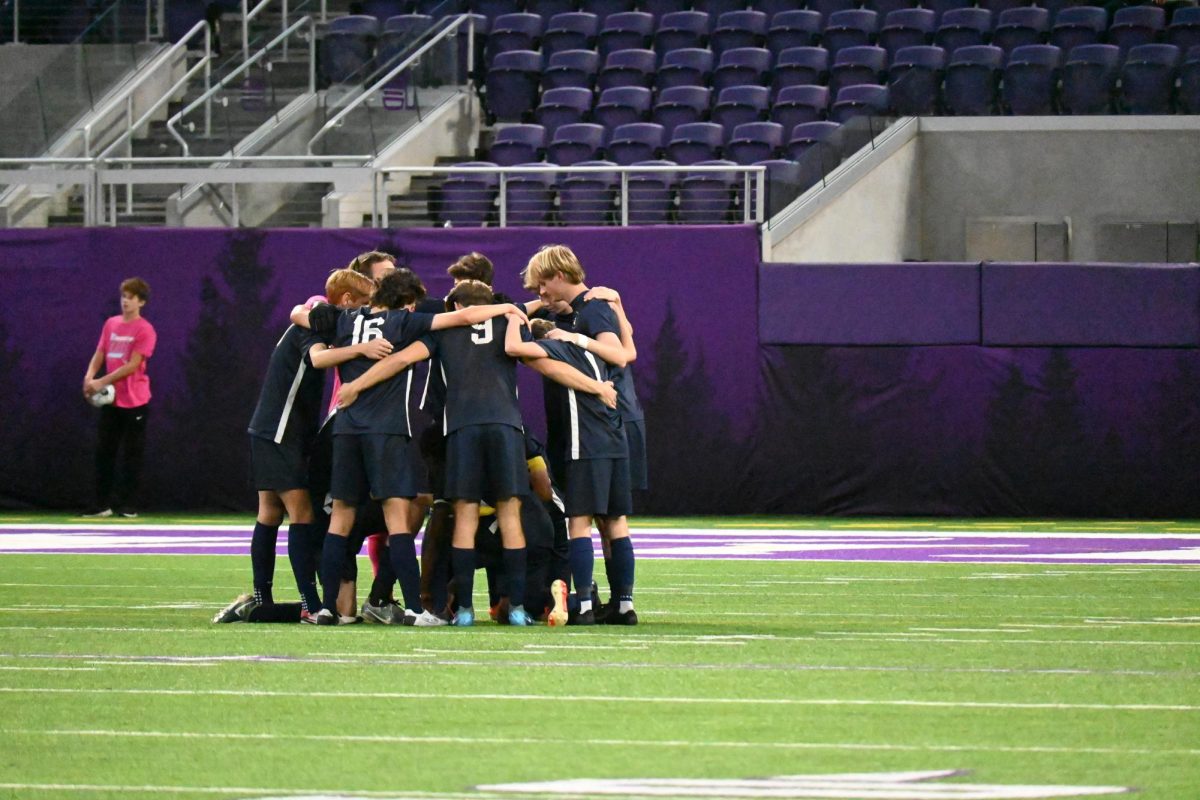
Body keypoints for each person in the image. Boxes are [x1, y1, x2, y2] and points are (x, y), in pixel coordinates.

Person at [337, 281, 618, 626]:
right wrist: (596, 386)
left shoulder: (443, 332)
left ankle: (466, 610)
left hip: (462, 430)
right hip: (506, 429)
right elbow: (547, 365)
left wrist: (355, 386)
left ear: (457, 307)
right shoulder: (508, 324)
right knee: (511, 515)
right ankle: (515, 608)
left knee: (466, 516)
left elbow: (399, 360)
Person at [295, 269, 519, 626]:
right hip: (385, 430)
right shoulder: (404, 322)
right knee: (398, 519)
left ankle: (326, 608)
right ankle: (415, 609)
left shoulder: (347, 317)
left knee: (339, 518)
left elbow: (302, 316)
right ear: (408, 302)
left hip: (346, 428)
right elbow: (464, 316)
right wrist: (506, 309)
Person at [213, 268, 379, 624]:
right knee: (302, 513)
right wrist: (362, 348)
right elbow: (318, 357)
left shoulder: (318, 318)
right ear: (348, 301)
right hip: (279, 429)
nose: (367, 312)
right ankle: (309, 602)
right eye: (363, 304)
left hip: (274, 428)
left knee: (269, 513)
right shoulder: (316, 319)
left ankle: (261, 600)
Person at [521, 245, 643, 625]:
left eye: (542, 286)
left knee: (587, 517)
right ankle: (619, 603)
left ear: (560, 275)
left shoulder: (591, 308)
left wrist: (575, 339)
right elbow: (629, 345)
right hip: (604, 426)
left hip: (596, 423)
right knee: (610, 518)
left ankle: (590, 602)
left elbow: (620, 354)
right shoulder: (583, 309)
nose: (540, 295)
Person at [504, 314, 634, 625]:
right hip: (616, 440)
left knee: (578, 523)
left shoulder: (558, 347)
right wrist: (618, 308)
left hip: (585, 443)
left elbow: (515, 348)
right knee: (616, 522)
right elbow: (627, 351)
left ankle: (586, 604)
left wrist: (511, 317)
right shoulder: (597, 350)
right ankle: (625, 605)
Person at [82, 277, 158, 519]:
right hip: (111, 401)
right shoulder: (111, 324)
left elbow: (133, 365)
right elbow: (100, 352)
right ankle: (101, 504)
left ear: (141, 302)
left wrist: (101, 382)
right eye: (123, 296)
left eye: (131, 298)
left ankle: (128, 506)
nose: (126, 301)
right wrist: (89, 377)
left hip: (135, 400)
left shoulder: (145, 330)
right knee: (105, 451)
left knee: (131, 455)